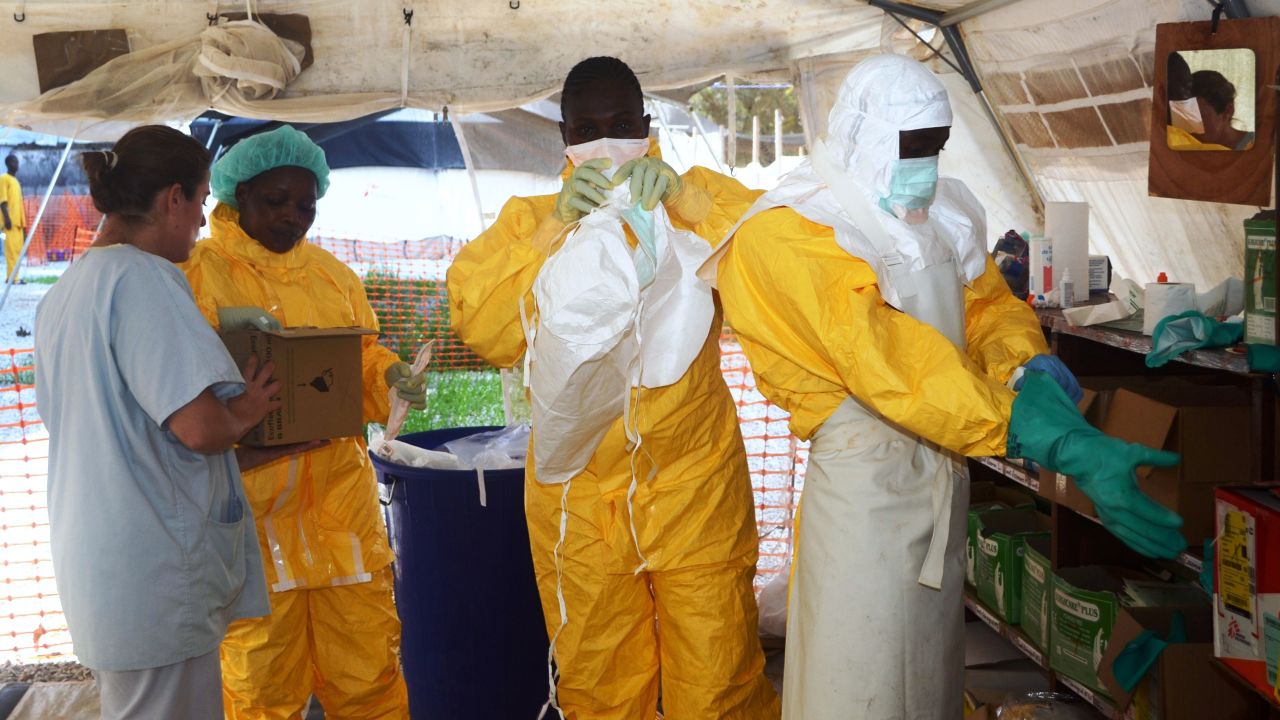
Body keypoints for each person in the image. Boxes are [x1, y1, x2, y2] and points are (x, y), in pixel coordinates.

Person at [704, 54, 1186, 720]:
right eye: (913, 148)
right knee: (861, 685)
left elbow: (987, 306)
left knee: (927, 679)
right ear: (863, 139)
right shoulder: (785, 234)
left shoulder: (940, 215)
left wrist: (1025, 369)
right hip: (864, 500)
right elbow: (894, 363)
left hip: (942, 483)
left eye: (937, 146)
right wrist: (1047, 438)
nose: (927, 165)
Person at [448, 56, 780, 719]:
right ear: (564, 137)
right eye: (590, 127)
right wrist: (552, 233)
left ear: (647, 125)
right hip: (579, 499)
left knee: (717, 679)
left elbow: (774, 262)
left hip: (694, 487)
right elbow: (489, 329)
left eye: (623, 123)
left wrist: (689, 201)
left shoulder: (695, 197)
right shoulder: (527, 220)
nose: (607, 141)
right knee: (601, 683)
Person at [35, 125, 312, 719]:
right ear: (172, 199)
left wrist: (268, 450)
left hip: (102, 562)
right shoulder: (146, 278)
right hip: (154, 572)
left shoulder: (65, 293)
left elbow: (130, 438)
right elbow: (200, 428)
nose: (204, 220)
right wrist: (253, 405)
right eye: (203, 201)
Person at [181, 125, 422, 719]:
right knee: (262, 690)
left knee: (368, 675)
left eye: (306, 206)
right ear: (238, 199)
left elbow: (361, 354)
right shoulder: (198, 271)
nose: (293, 216)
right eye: (276, 201)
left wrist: (387, 376)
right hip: (254, 521)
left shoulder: (333, 275)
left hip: (343, 518)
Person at [1192, 69, 1255, 151]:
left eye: (1197, 117)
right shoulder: (1178, 145)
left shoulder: (1261, 147)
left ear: (1228, 112)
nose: (1187, 128)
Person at [1, 154, 25, 283]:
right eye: (14, 162)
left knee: (18, 252)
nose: (16, 164)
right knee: (10, 252)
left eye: (17, 162)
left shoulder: (16, 181)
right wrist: (7, 219)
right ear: (8, 163)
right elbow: (2, 201)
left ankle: (14, 276)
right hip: (9, 223)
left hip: (18, 223)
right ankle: (12, 278)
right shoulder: (4, 179)